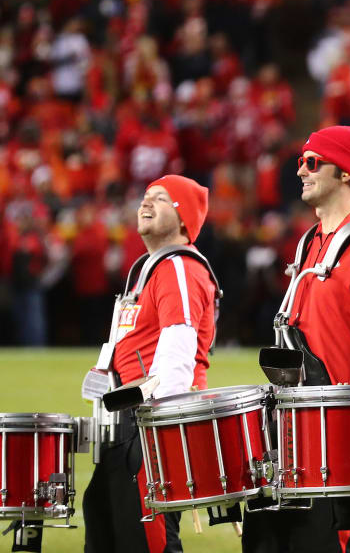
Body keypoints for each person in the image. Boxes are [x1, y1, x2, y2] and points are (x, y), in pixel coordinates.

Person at [243, 125, 350, 553]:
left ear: (347, 173)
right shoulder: (309, 243)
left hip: (340, 432)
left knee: (331, 541)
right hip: (293, 424)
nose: (302, 170)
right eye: (301, 162)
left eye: (313, 162)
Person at [83, 175, 218, 553]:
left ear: (183, 220)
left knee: (148, 539)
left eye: (160, 199)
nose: (146, 204)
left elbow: (180, 348)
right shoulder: (149, 267)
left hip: (151, 422)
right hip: (126, 421)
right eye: (145, 197)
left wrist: (159, 427)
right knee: (107, 528)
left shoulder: (178, 266)